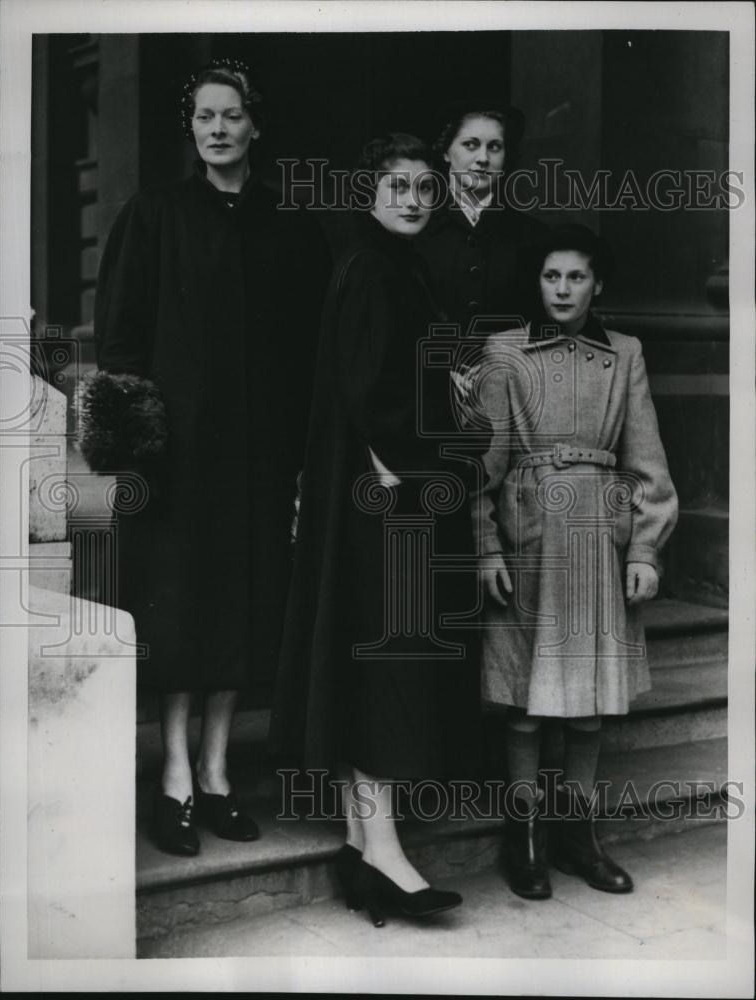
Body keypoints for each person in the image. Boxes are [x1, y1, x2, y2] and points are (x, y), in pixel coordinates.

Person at [93, 60, 329, 856]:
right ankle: (173, 780)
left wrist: (301, 460)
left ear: (254, 125)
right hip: (177, 456)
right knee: (181, 612)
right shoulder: (154, 214)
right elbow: (121, 337)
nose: (218, 129)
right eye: (204, 116)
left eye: (231, 115)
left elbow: (307, 351)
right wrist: (137, 446)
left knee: (241, 608)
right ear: (190, 127)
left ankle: (220, 773)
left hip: (260, 455)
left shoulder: (289, 222)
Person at [270, 133, 485, 926]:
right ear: (370, 192)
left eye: (426, 188)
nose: (412, 200)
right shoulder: (371, 270)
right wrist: (422, 457)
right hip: (389, 502)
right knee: (387, 668)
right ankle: (384, 850)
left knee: (380, 667)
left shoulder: (397, 270)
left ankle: (368, 850)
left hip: (389, 496)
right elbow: (369, 398)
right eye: (397, 185)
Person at [473, 224, 678, 899]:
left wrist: (644, 548)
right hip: (528, 534)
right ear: (536, 283)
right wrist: (485, 546)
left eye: (576, 277)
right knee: (527, 704)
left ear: (598, 284)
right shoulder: (505, 353)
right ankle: (524, 832)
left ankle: (577, 832)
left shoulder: (623, 354)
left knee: (589, 703)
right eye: (550, 276)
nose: (562, 289)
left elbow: (646, 459)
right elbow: (481, 465)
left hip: (598, 536)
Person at [417, 100, 545, 337]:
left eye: (495, 147)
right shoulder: (416, 231)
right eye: (470, 145)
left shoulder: (533, 237)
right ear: (446, 152)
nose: (483, 158)